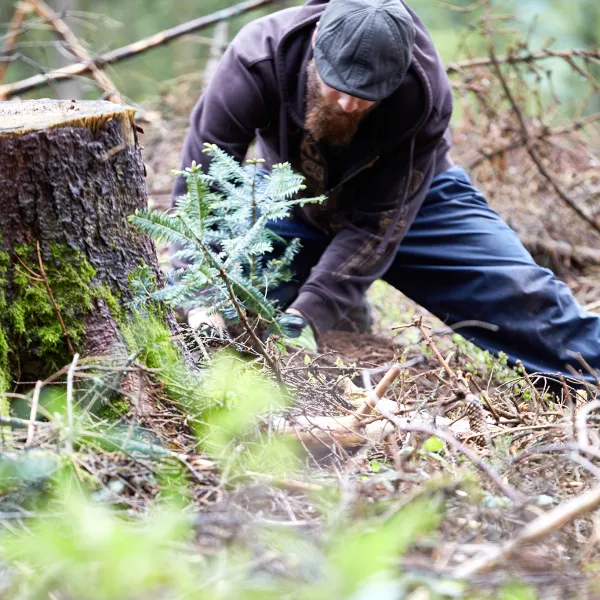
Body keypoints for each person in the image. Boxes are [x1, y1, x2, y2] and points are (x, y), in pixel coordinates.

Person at [173, 0, 600, 382]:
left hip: (416, 202)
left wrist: (308, 316)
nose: (346, 105)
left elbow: (376, 227)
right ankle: (347, 318)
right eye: (337, 84)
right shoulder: (258, 57)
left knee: (524, 297)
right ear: (319, 40)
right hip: (288, 198)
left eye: (365, 95)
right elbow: (200, 185)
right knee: (233, 310)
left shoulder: (424, 93)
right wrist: (203, 289)